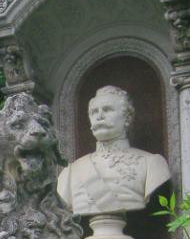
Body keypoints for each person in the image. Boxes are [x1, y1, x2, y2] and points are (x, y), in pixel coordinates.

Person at [57, 86, 170, 216]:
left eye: (107, 110)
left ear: (127, 118)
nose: (99, 116)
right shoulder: (71, 171)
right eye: (94, 112)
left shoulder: (152, 163)